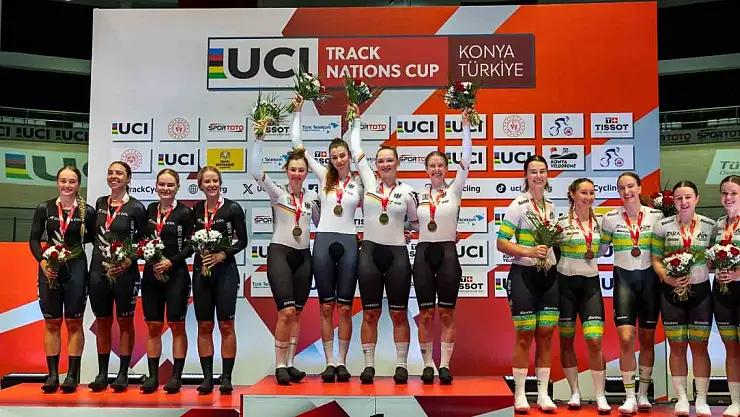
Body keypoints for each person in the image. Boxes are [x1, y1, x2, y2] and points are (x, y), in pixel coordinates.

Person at [289, 96, 363, 382]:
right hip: (323, 241)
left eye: (342, 155)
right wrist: (297, 112)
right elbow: (298, 145)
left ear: (348, 156)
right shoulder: (323, 176)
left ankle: (342, 362)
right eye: (334, 157)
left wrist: (355, 119)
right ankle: (329, 361)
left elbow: (379, 208)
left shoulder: (361, 180)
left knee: (345, 307)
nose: (338, 160)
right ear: (329, 159)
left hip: (348, 242)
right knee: (325, 306)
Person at [349, 109, 419, 384]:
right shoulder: (368, 182)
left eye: (390, 160)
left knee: (399, 313)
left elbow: (418, 223)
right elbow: (356, 149)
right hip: (369, 254)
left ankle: (401, 365)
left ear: (397, 163)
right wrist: (356, 119)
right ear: (375, 164)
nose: (385, 164)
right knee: (370, 313)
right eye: (380, 160)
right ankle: (369, 366)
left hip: (397, 255)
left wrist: (414, 231)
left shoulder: (408, 191)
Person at [251, 121, 320, 385]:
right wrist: (259, 140)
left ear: (307, 173)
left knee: (297, 312)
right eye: (293, 169)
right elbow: (255, 171)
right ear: (286, 170)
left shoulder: (312, 199)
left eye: (301, 170)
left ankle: (290, 363)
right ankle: (279, 364)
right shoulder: (277, 193)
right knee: (286, 312)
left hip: (304, 257)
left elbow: (324, 222)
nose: (297, 174)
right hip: (280, 253)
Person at [413, 109, 472, 385]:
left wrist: (466, 128)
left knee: (447, 313)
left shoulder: (454, 191)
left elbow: (466, 159)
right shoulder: (417, 195)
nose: (436, 169)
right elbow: (408, 221)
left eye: (440, 165)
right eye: (432, 166)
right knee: (425, 314)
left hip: (448, 254)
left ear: (447, 169)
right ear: (426, 170)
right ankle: (427, 364)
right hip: (423, 254)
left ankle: (445, 365)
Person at [496, 155, 558, 412]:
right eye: (533, 172)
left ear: (547, 175)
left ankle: (543, 394)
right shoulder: (518, 204)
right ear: (526, 176)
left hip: (549, 276)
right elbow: (501, 242)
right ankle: (520, 394)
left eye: (542, 171)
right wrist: (529, 251)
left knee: (546, 334)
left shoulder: (552, 206)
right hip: (523, 275)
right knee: (524, 335)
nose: (538, 176)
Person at [599, 173, 664, 414]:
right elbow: (600, 249)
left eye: (630, 186)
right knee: (626, 338)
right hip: (624, 280)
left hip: (650, 281)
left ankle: (643, 394)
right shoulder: (609, 218)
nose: (626, 191)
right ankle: (629, 397)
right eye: (621, 188)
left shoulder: (657, 216)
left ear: (639, 188)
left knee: (647, 338)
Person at [651, 181, 716, 417]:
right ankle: (681, 399)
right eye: (679, 198)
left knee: (700, 346)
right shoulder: (662, 225)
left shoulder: (710, 225)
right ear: (673, 202)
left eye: (688, 197)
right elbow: (655, 259)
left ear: (697, 199)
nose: (684, 202)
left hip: (701, 293)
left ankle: (701, 399)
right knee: (676, 346)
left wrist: (711, 265)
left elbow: (715, 257)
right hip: (671, 293)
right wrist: (668, 278)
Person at [29, 166, 95, 393]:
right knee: (52, 323)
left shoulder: (87, 211)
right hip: (50, 267)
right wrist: (42, 262)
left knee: (74, 322)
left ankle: (73, 376)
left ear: (78, 185)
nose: (67, 185)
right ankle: (53, 375)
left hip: (76, 268)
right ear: (57, 182)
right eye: (63, 181)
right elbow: (34, 239)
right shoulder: (45, 208)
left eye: (72, 181)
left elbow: (95, 239)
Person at [88, 161, 148, 392]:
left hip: (126, 273)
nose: (114, 176)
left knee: (125, 322)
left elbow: (144, 242)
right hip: (98, 271)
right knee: (102, 321)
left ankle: (123, 374)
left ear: (128, 179)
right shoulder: (99, 203)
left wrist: (127, 261)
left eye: (119, 173)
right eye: (110, 172)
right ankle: (102, 374)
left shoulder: (136, 207)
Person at [192, 166, 248, 394]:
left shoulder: (232, 208)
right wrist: (200, 251)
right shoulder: (196, 209)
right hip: (201, 272)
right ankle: (207, 378)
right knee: (204, 325)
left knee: (226, 325)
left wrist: (222, 254)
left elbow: (243, 241)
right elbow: (189, 242)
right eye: (207, 181)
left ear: (220, 182)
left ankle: (226, 378)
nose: (211, 185)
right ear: (200, 185)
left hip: (225, 271)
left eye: (215, 180)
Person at [556, 178, 610, 413]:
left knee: (595, 341)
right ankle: (574, 392)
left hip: (591, 286)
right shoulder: (559, 222)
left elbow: (604, 249)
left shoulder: (602, 223)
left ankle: (600, 395)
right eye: (584, 193)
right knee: (566, 341)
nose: (588, 197)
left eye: (591, 193)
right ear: (572, 194)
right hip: (564, 287)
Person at [140, 169, 195, 394]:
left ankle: (176, 377)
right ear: (156, 186)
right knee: (153, 326)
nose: (165, 189)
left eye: (170, 185)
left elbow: (191, 245)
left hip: (176, 275)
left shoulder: (185, 212)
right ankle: (153, 377)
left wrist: (171, 262)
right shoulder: (149, 210)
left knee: (176, 326)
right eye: (162, 184)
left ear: (178, 187)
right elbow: (142, 239)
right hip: (151, 275)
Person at [713, 175, 740, 417]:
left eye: (733, 193)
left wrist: (737, 273)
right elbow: (711, 258)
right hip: (723, 291)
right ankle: (735, 401)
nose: (728, 197)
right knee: (730, 347)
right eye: (724, 193)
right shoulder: (719, 224)